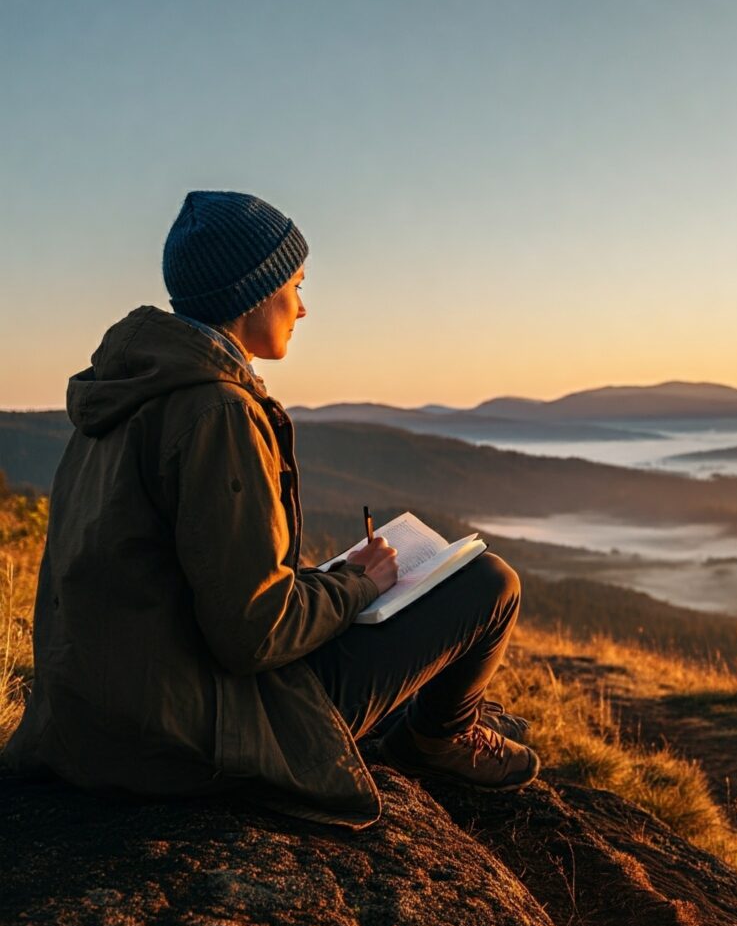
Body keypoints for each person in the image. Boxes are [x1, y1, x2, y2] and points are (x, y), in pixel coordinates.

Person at [4, 191, 539, 828]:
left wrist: (334, 583)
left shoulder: (125, 394)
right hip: (182, 739)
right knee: (487, 583)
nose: (303, 307)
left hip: (108, 717)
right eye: (296, 285)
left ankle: (432, 718)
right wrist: (355, 585)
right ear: (256, 293)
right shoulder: (217, 411)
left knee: (395, 618)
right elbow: (255, 632)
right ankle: (438, 740)